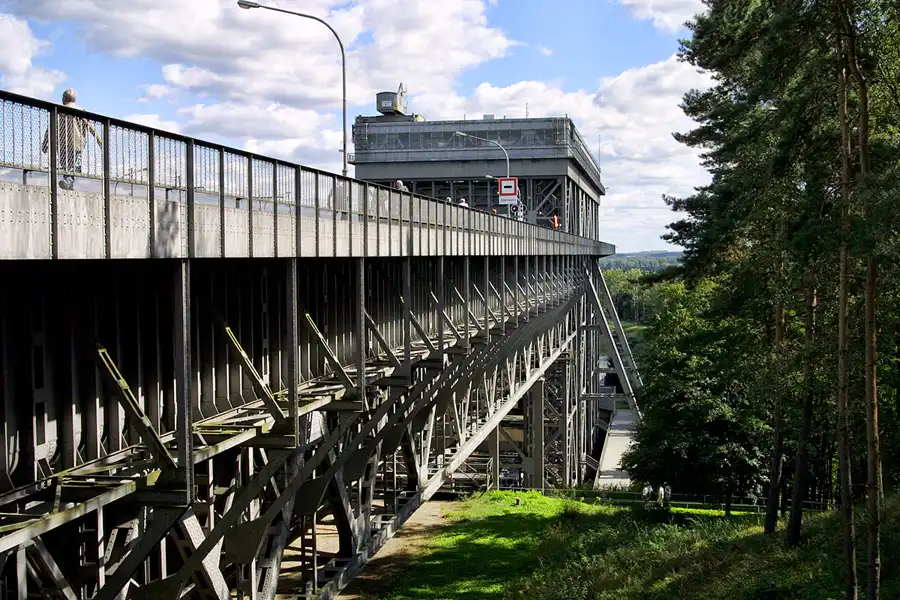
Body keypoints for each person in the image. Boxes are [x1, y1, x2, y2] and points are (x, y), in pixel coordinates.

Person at [41, 88, 102, 190]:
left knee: (67, 168)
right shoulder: (80, 111)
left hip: (62, 145)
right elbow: (92, 128)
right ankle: (68, 183)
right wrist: (101, 142)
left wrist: (45, 143)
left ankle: (68, 184)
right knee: (73, 168)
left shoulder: (58, 111)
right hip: (77, 145)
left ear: (64, 98)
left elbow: (50, 129)